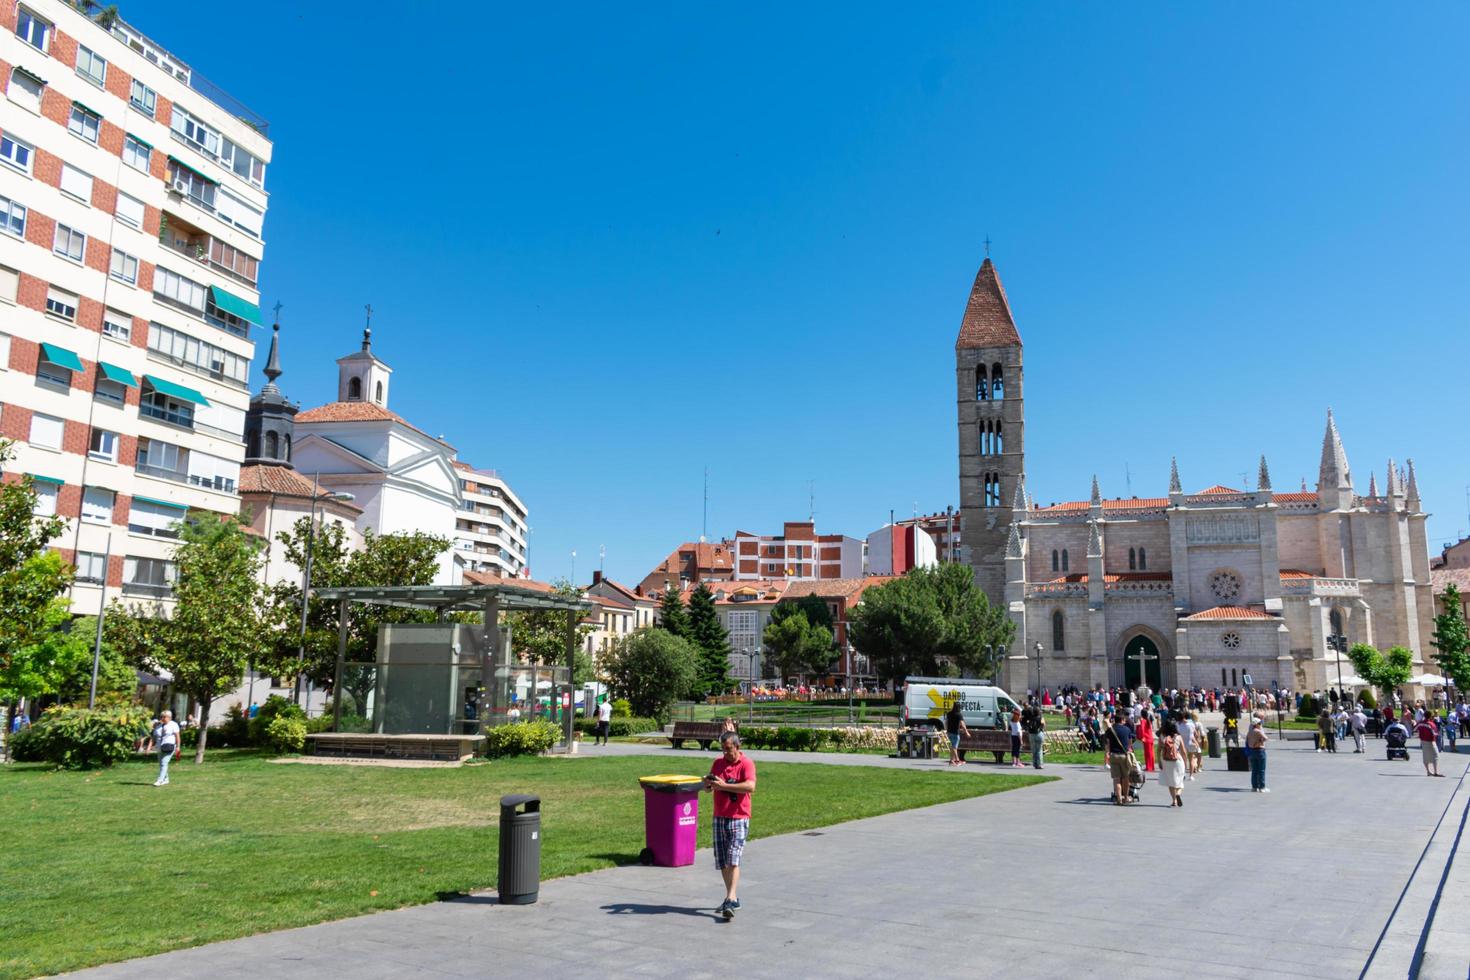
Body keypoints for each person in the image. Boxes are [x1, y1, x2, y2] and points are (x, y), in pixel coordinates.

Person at [702, 732, 756, 918]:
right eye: (723, 749)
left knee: (734, 856)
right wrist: (708, 785)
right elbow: (710, 789)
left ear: (737, 747)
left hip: (739, 816)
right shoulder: (718, 763)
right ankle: (731, 898)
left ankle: (730, 897)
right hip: (720, 815)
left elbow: (750, 786)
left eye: (728, 749)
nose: (725, 753)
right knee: (723, 859)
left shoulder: (746, 763)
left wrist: (723, 786)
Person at [1104, 711, 1135, 805]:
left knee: (1116, 779)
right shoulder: (1127, 729)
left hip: (1114, 755)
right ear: (1121, 720)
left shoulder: (1110, 730)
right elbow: (1130, 743)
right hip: (1124, 755)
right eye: (1124, 720)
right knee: (1126, 778)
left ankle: (1118, 799)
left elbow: (1107, 743)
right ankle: (1125, 797)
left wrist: (1107, 753)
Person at [1159, 719, 1186, 808]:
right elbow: (1184, 751)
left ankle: (1174, 801)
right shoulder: (1178, 737)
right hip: (1177, 759)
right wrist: (1185, 762)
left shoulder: (1162, 736)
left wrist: (1159, 761)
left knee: (1170, 781)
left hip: (1166, 760)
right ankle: (1178, 793)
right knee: (1180, 780)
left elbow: (1158, 749)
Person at [152, 710, 180, 787]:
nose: (162, 718)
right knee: (161, 764)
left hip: (169, 746)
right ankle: (166, 779)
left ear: (169, 717)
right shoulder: (159, 726)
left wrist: (178, 746)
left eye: (164, 717)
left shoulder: (173, 725)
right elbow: (154, 736)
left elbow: (177, 736)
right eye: (161, 717)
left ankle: (160, 780)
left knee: (164, 763)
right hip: (160, 747)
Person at [1245, 719, 1270, 793]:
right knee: (1261, 770)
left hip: (1252, 751)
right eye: (1260, 723)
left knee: (1254, 770)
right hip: (1260, 751)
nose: (1261, 724)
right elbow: (1266, 738)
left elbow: (1248, 742)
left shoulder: (1249, 732)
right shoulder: (1258, 731)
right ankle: (1262, 787)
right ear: (1256, 724)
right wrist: (1260, 741)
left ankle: (1254, 787)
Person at [942, 700, 969, 767]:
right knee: (954, 747)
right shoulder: (959, 714)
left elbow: (946, 722)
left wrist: (946, 730)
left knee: (952, 747)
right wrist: (966, 732)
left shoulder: (949, 713)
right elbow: (962, 724)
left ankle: (951, 761)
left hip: (949, 732)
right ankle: (957, 760)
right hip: (955, 733)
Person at [1023, 701, 1046, 769]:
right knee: (1039, 750)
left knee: (1034, 750)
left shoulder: (1031, 718)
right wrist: (1042, 729)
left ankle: (1034, 763)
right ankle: (1039, 764)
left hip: (1031, 734)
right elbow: (1043, 724)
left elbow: (1026, 724)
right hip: (1039, 734)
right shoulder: (1040, 717)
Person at [1180, 711, 1201, 779]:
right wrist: (1196, 741)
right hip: (1191, 743)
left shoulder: (1179, 725)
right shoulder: (1191, 724)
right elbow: (1196, 734)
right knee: (1191, 759)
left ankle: (1184, 774)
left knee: (1183, 760)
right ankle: (1191, 775)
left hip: (1182, 743)